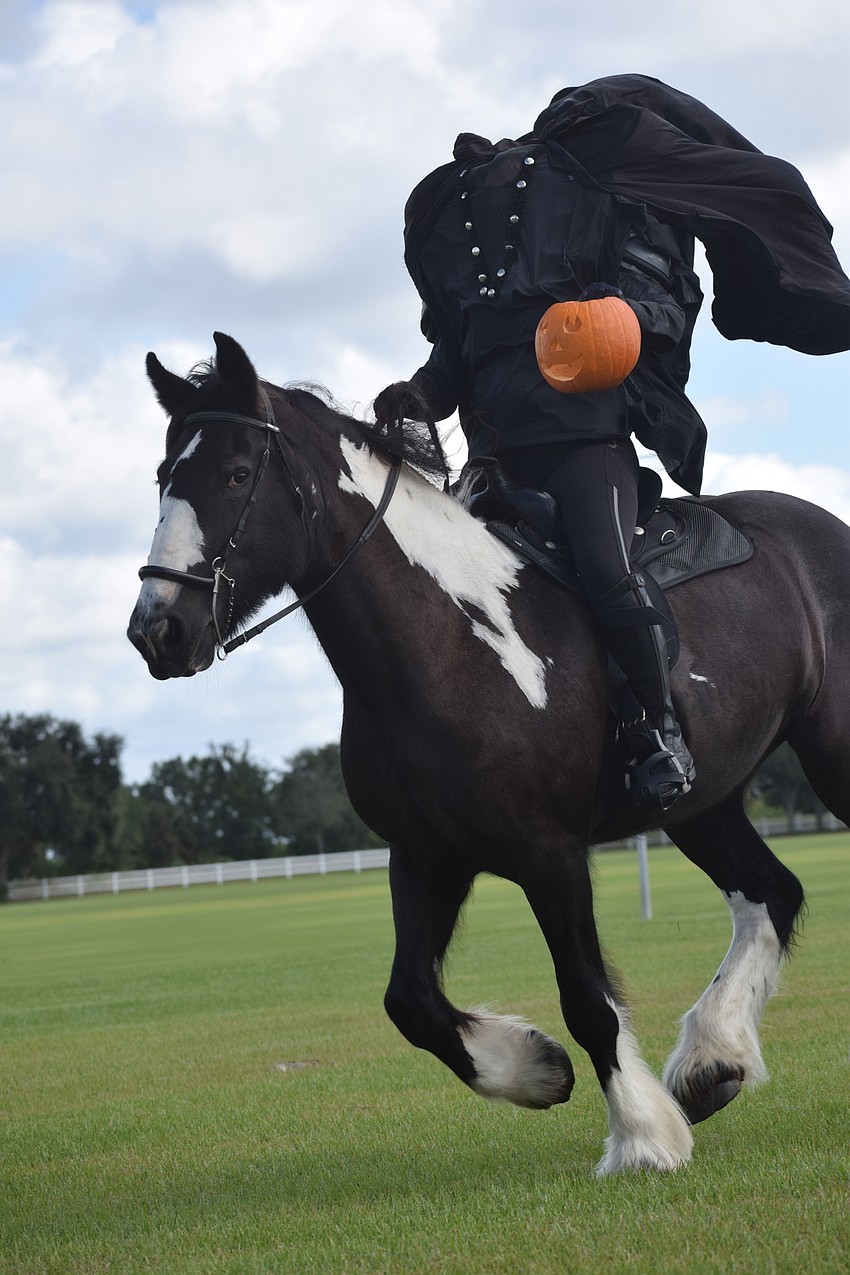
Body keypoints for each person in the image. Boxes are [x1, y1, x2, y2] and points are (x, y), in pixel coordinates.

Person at [374, 74, 850, 814]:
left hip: (585, 450)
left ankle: (658, 728)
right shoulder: (466, 261)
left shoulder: (611, 226)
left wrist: (614, 314)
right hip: (493, 465)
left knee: (608, 568)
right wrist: (416, 398)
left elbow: (660, 309)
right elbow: (451, 364)